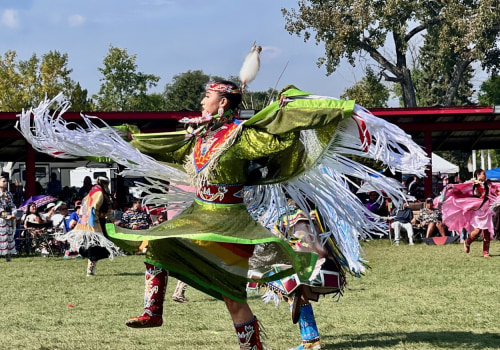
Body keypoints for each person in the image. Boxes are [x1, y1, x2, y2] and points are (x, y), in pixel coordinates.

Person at [19, 70, 428, 348]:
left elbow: (281, 130)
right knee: (156, 245)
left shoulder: (242, 138)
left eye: (207, 95)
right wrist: (121, 139)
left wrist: (334, 111)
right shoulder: (196, 140)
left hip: (236, 219)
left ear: (224, 101)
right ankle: (152, 310)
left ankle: (300, 333)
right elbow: (156, 143)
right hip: (200, 215)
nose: (201, 100)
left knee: (259, 288)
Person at [441, 168, 500, 257]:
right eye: (483, 174)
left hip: (486, 210)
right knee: (477, 231)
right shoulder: (473, 183)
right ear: (478, 175)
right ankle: (468, 241)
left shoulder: (488, 184)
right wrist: (453, 187)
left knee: (487, 231)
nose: (485, 175)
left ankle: (485, 252)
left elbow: (495, 189)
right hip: (477, 210)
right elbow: (462, 188)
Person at [68, 176, 117, 276]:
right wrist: (92, 221)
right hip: (95, 223)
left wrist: (114, 220)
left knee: (97, 247)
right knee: (93, 247)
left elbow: (107, 211)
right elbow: (93, 208)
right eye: (106, 183)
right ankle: (90, 270)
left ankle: (91, 269)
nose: (107, 185)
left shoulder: (95, 193)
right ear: (102, 183)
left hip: (96, 222)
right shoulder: (98, 193)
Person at [0, 176, 17, 261]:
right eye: (3, 181)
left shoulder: (8, 194)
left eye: (5, 181)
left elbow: (12, 205)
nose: (5, 183)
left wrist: (13, 213)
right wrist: (5, 216)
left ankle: (8, 256)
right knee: (1, 236)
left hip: (9, 218)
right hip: (1, 218)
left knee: (9, 236)